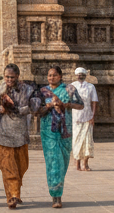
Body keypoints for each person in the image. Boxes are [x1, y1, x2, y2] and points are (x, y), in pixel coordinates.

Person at [0, 64, 38, 209]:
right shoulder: (1, 89)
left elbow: (33, 107)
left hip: (21, 133)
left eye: (12, 77)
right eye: (7, 77)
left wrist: (18, 109)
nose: (9, 79)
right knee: (8, 167)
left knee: (21, 166)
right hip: (5, 133)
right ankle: (12, 196)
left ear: (18, 76)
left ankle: (15, 192)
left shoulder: (27, 90)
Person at [36, 66, 83, 209]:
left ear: (60, 76)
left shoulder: (69, 89)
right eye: (49, 75)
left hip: (65, 131)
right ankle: (56, 197)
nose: (51, 78)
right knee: (53, 162)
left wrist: (66, 105)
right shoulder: (42, 92)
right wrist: (49, 105)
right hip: (48, 132)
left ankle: (58, 189)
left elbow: (81, 105)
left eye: (54, 75)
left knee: (63, 162)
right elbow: (37, 111)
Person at [70, 67, 98, 171]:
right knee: (77, 140)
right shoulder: (72, 86)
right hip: (76, 116)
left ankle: (85, 163)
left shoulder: (91, 87)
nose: (80, 76)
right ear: (76, 75)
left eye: (82, 74)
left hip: (88, 116)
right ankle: (77, 163)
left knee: (87, 140)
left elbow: (94, 102)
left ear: (85, 75)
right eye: (78, 74)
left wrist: (93, 116)